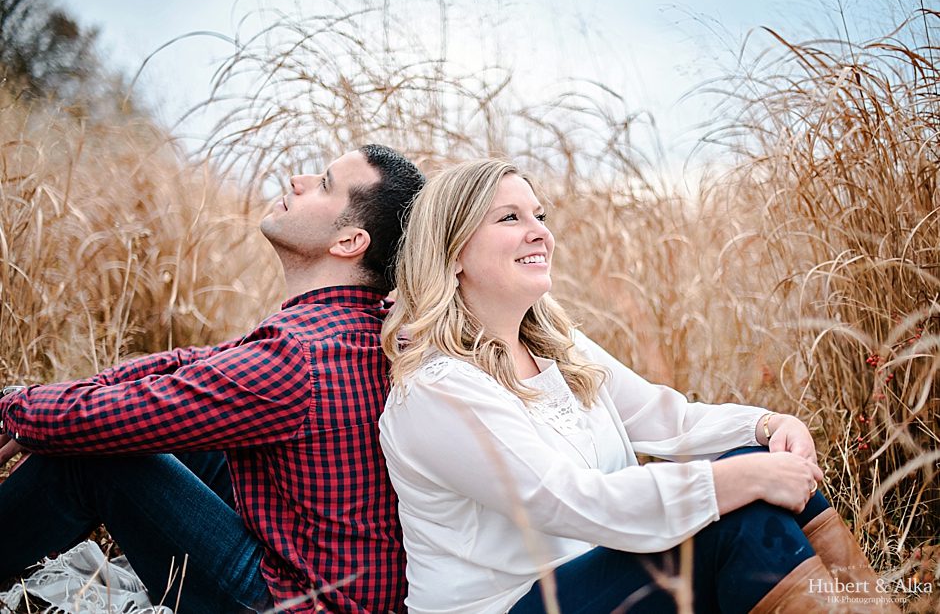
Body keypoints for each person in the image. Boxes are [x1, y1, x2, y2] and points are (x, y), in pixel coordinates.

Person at [378, 158, 898, 613]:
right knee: (743, 512)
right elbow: (571, 501)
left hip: (599, 580)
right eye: (510, 217)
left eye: (540, 216)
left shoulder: (560, 347)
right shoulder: (436, 389)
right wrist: (742, 480)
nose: (538, 231)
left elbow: (669, 419)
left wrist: (768, 427)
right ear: (453, 252)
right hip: (512, 604)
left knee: (757, 466)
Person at [0, 144, 426, 614]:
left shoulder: (302, 356)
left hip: (296, 603)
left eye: (323, 184)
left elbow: (125, 414)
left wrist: (15, 412)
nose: (297, 181)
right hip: (327, 571)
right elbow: (195, 367)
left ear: (348, 242)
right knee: (170, 428)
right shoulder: (354, 324)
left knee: (98, 454)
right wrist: (44, 397)